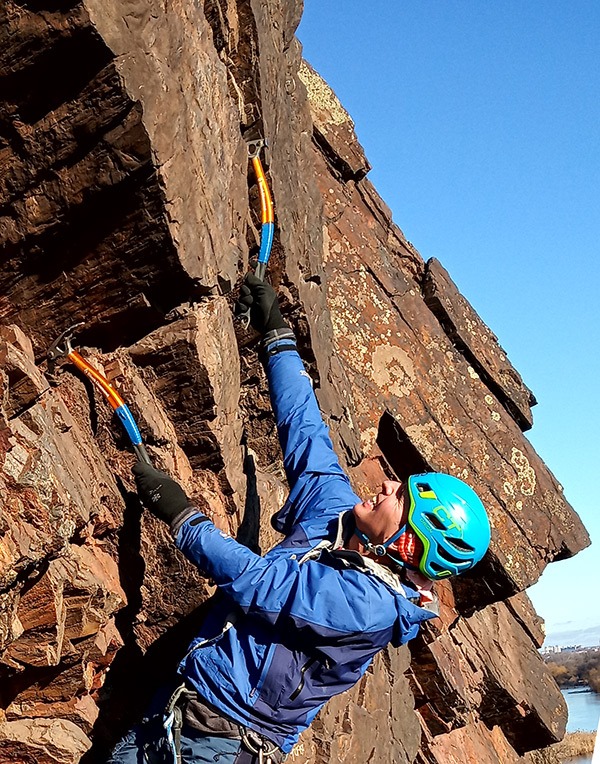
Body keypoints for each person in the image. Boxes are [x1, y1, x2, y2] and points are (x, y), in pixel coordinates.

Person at [107, 275, 491, 764]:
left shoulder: (369, 610)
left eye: (403, 497)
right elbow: (305, 431)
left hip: (222, 748)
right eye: (401, 482)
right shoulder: (338, 516)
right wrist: (277, 338)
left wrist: (181, 514)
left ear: (407, 545)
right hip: (173, 712)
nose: (389, 484)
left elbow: (260, 585)